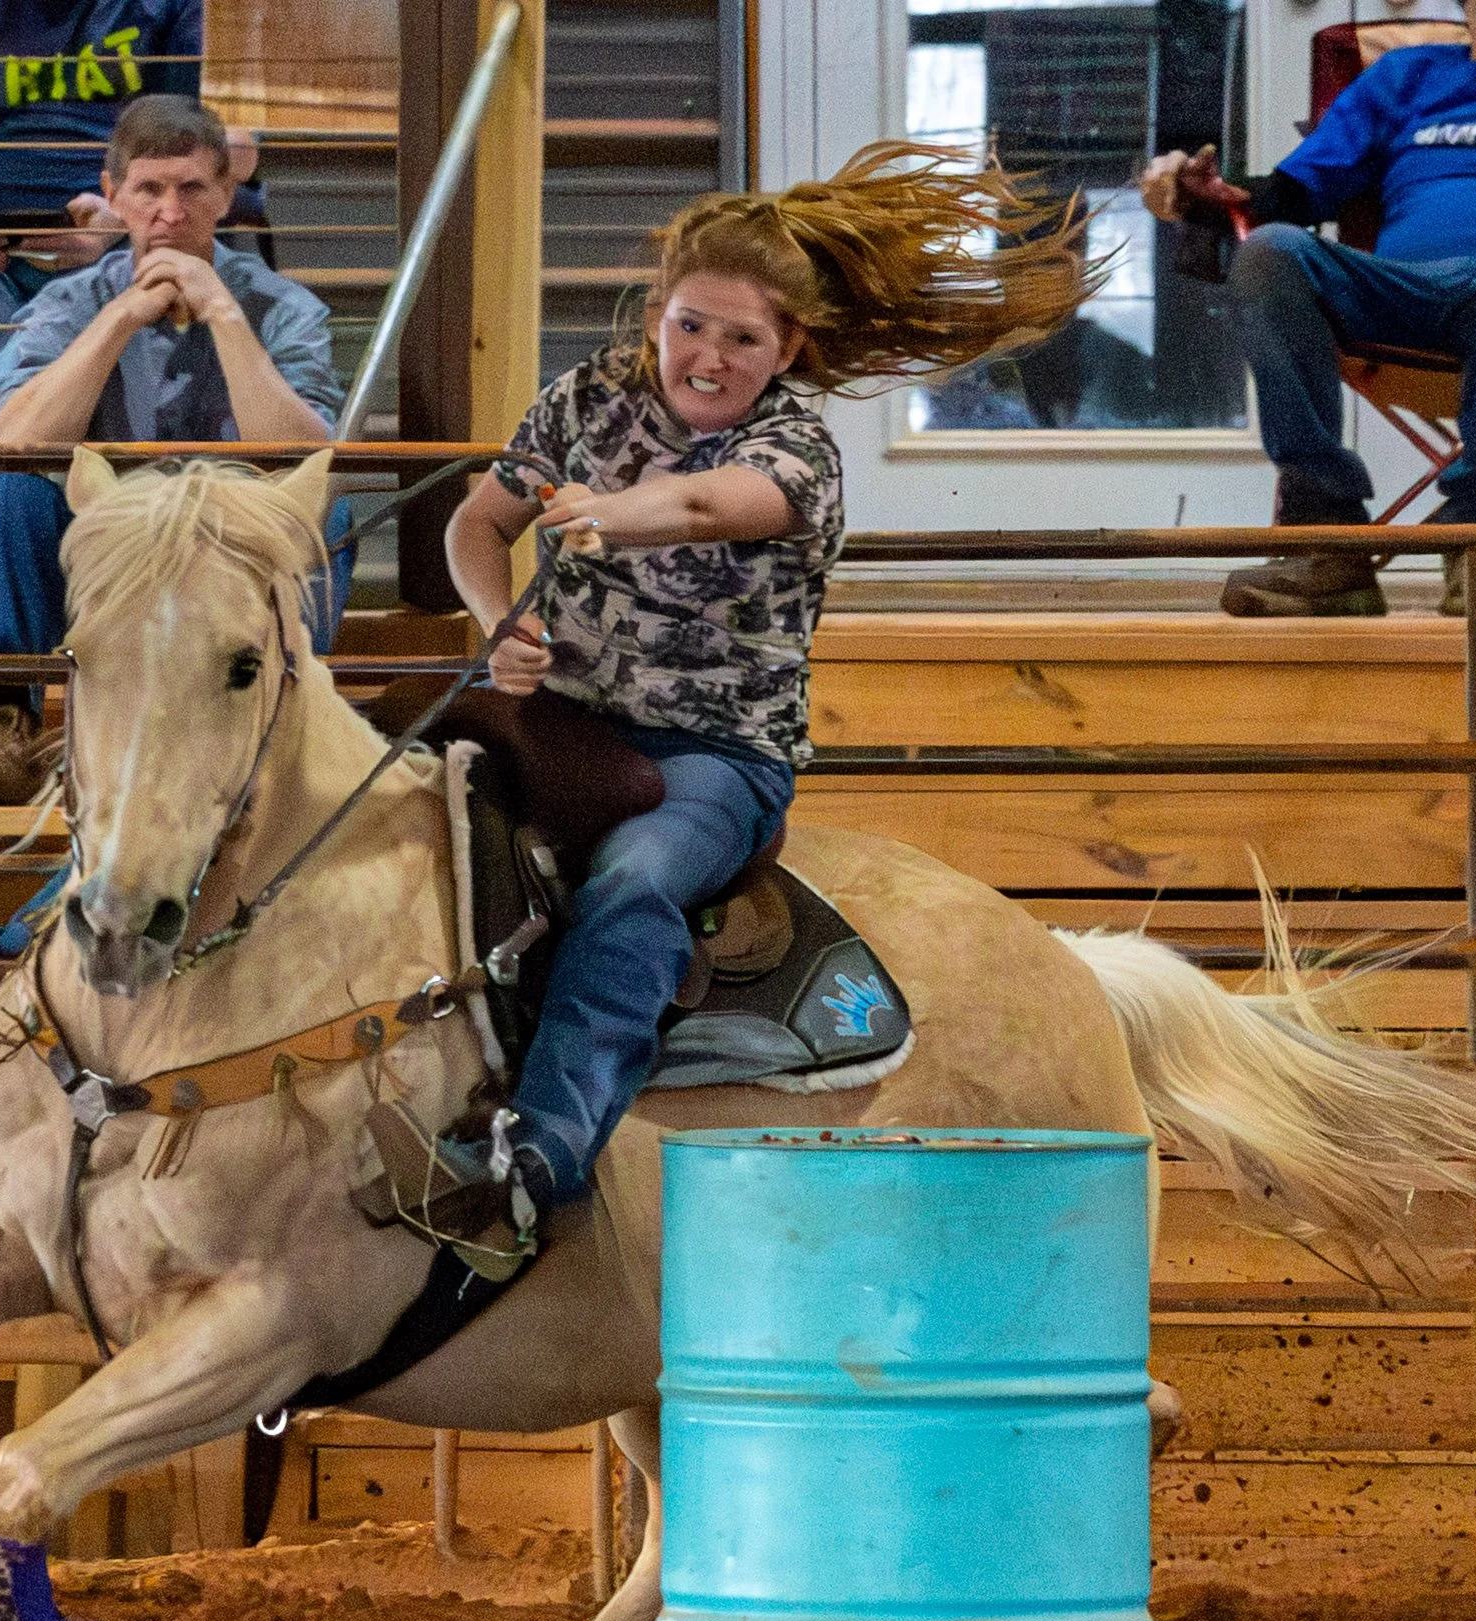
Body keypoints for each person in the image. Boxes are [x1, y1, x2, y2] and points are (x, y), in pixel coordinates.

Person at [438, 142, 1085, 1223]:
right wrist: (496, 617)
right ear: (656, 312)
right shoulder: (586, 396)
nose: (708, 355)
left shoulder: (799, 451)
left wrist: (600, 510)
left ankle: (546, 1150)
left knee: (638, 882)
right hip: (560, 718)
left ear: (787, 348)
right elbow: (478, 520)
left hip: (715, 758)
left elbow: (700, 507)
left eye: (741, 337)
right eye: (691, 323)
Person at [1143, 0, 1476, 619]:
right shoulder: (1402, 75)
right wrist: (1204, 194)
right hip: (1397, 295)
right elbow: (1293, 194)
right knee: (1271, 251)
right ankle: (1328, 541)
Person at [0, 93, 345, 806]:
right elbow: (24, 437)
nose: (170, 213)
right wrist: (121, 317)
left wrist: (220, 312)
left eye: (192, 189)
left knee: (323, 512)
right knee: (7, 490)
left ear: (226, 195)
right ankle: (13, 734)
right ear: (114, 194)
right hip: (113, 536)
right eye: (149, 189)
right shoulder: (74, 302)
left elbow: (300, 455)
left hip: (227, 534)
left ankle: (283, 727)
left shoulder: (284, 307)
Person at [0, 0, 249, 614]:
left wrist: (121, 216)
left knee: (44, 340)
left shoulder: (168, 10)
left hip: (117, 250)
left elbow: (217, 147)